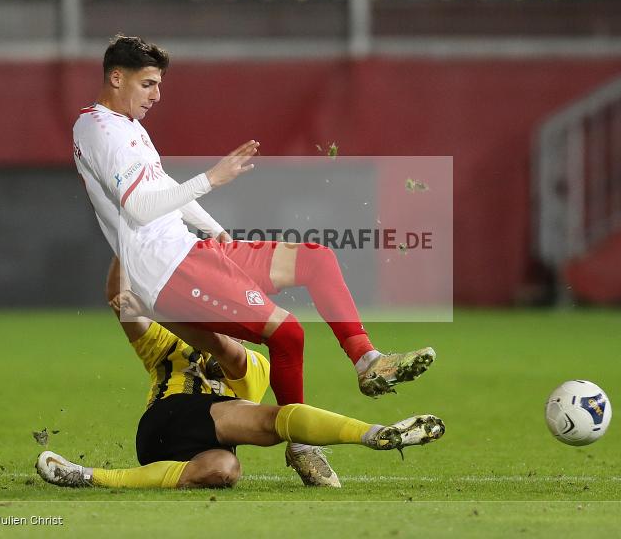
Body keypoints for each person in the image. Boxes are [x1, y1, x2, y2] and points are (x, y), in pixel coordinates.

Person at [72, 34, 436, 486]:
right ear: (115, 77)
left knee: (315, 260)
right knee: (287, 334)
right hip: (168, 268)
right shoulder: (97, 128)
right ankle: (303, 449)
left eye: (158, 84)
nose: (157, 95)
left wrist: (214, 229)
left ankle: (367, 361)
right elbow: (140, 207)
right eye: (148, 84)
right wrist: (212, 178)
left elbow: (161, 186)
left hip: (191, 249)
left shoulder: (126, 127)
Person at [35, 290, 445, 490]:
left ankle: (88, 476)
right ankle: (374, 435)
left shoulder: (255, 364)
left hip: (200, 446)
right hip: (167, 418)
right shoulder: (167, 344)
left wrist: (180, 312)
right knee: (272, 421)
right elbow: (124, 305)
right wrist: (128, 256)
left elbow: (225, 352)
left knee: (224, 471)